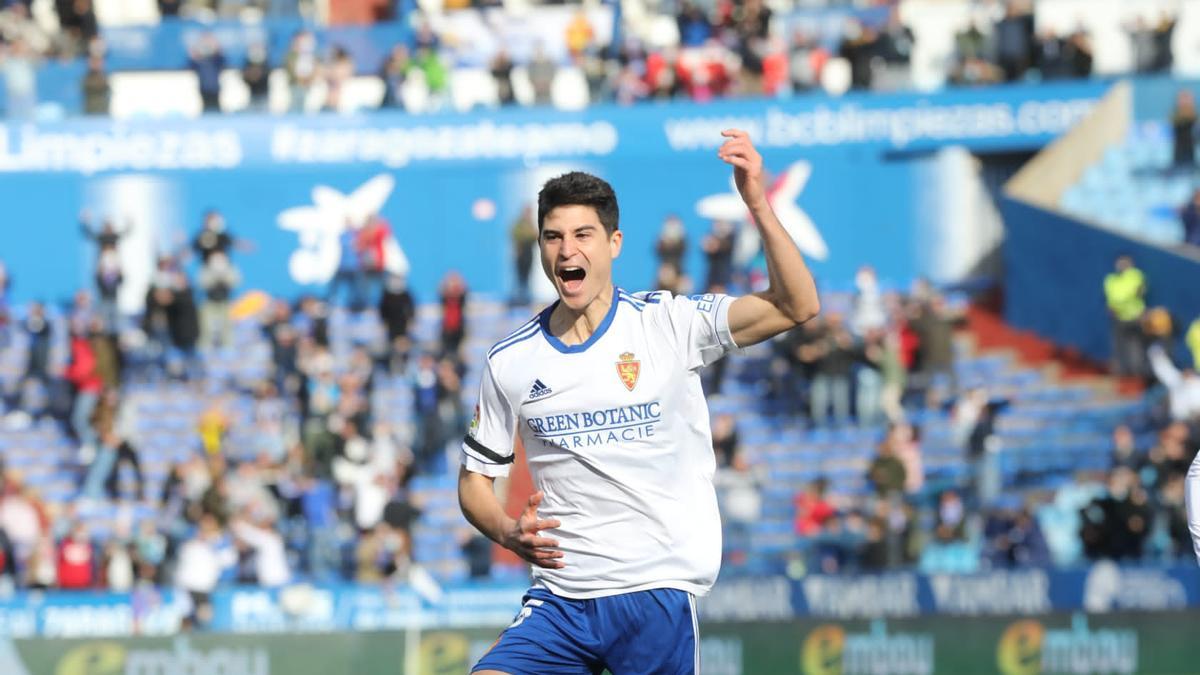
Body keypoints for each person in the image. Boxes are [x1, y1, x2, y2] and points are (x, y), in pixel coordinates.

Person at [459, 130, 819, 675]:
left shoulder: (668, 324)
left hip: (654, 593)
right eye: (553, 237)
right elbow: (474, 482)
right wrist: (507, 531)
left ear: (615, 243)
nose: (566, 250)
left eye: (583, 234)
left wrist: (757, 204)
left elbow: (797, 304)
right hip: (561, 599)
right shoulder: (511, 360)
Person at [1103, 255, 1147, 377]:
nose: (1121, 265)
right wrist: (1111, 307)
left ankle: (1137, 373)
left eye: (1124, 262)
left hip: (1135, 317)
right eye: (1119, 262)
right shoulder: (1110, 279)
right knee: (1118, 346)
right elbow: (1111, 297)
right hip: (1118, 317)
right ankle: (1121, 373)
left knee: (1136, 346)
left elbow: (1138, 292)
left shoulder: (1136, 275)